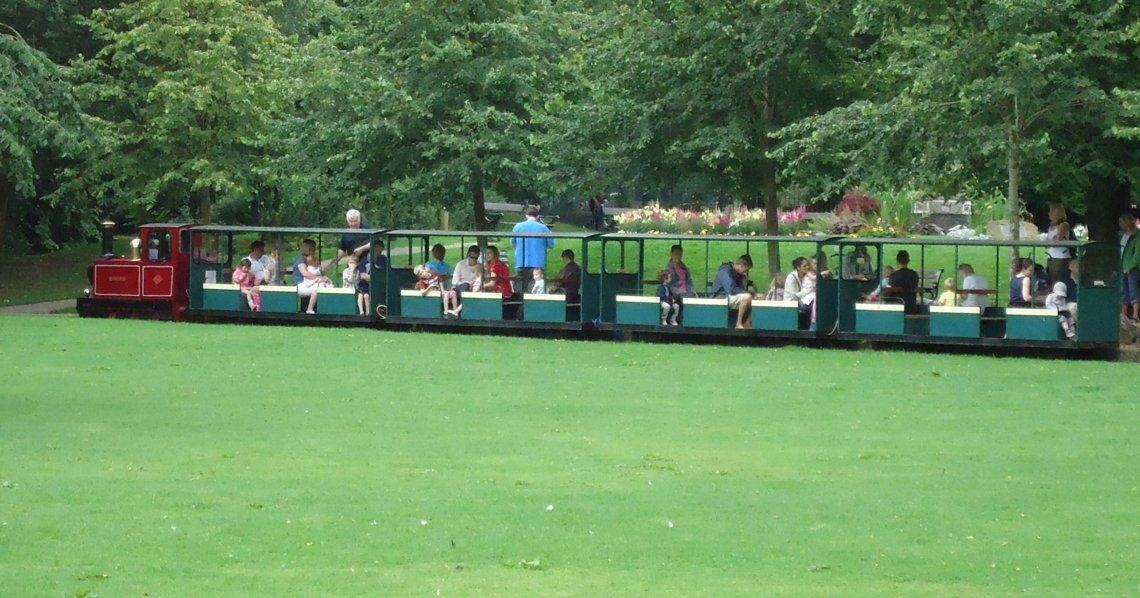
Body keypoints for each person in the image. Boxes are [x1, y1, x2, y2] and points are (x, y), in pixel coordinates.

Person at [510, 206, 553, 288]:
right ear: (537, 216)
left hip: (521, 262)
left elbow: (513, 243)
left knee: (520, 289)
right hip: (538, 263)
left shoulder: (518, 227)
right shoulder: (543, 228)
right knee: (535, 291)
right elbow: (550, 244)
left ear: (526, 216)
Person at [711, 254, 755, 329]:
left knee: (757, 297)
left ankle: (747, 323)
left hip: (730, 297)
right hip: (721, 297)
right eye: (746, 270)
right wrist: (748, 293)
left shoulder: (738, 275)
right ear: (741, 266)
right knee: (747, 297)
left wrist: (744, 285)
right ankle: (738, 323)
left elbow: (738, 291)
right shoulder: (725, 271)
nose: (745, 273)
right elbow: (731, 289)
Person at [1119, 211, 1140, 321]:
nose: (1121, 224)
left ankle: (1135, 314)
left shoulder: (1137, 235)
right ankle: (1124, 313)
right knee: (1123, 290)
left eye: (1123, 222)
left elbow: (1138, 253)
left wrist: (1131, 266)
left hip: (1133, 268)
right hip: (1122, 265)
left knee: (1133, 289)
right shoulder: (1122, 235)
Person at [1045, 202, 1072, 286]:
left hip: (1060, 257)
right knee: (1051, 277)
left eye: (1051, 211)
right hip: (1051, 255)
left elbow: (1057, 240)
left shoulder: (1063, 225)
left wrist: (1051, 240)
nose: (1049, 214)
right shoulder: (1051, 226)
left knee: (1057, 279)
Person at [338, 209, 371, 275]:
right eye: (351, 221)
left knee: (363, 278)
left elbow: (374, 243)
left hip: (366, 260)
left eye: (355, 221)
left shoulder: (367, 229)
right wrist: (333, 262)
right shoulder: (345, 233)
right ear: (347, 221)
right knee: (350, 277)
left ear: (359, 219)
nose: (353, 224)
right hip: (352, 260)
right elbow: (342, 249)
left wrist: (361, 249)